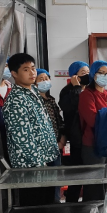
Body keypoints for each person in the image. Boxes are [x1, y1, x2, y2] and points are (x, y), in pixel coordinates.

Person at [2, 53, 60, 207]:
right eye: (26, 69)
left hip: (46, 160)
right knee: (36, 207)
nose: (32, 73)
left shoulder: (33, 91)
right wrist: (40, 164)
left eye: (33, 68)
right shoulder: (16, 99)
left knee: (49, 205)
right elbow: (22, 138)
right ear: (14, 74)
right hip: (32, 167)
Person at [78, 60, 107, 202]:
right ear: (93, 74)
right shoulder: (87, 95)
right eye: (101, 73)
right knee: (95, 185)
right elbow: (92, 120)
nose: (105, 76)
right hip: (93, 145)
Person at [59, 61, 89, 203]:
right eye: (83, 73)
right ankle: (72, 202)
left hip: (90, 136)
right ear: (74, 76)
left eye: (88, 72)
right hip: (77, 138)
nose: (87, 75)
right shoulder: (67, 91)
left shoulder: (90, 89)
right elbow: (76, 106)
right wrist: (76, 87)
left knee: (91, 172)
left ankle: (89, 202)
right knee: (77, 173)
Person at [36, 68, 66, 201]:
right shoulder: (35, 101)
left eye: (46, 78)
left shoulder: (51, 100)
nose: (44, 81)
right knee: (45, 180)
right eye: (41, 79)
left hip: (56, 145)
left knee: (56, 177)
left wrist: (62, 140)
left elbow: (59, 122)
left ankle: (56, 202)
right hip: (42, 148)